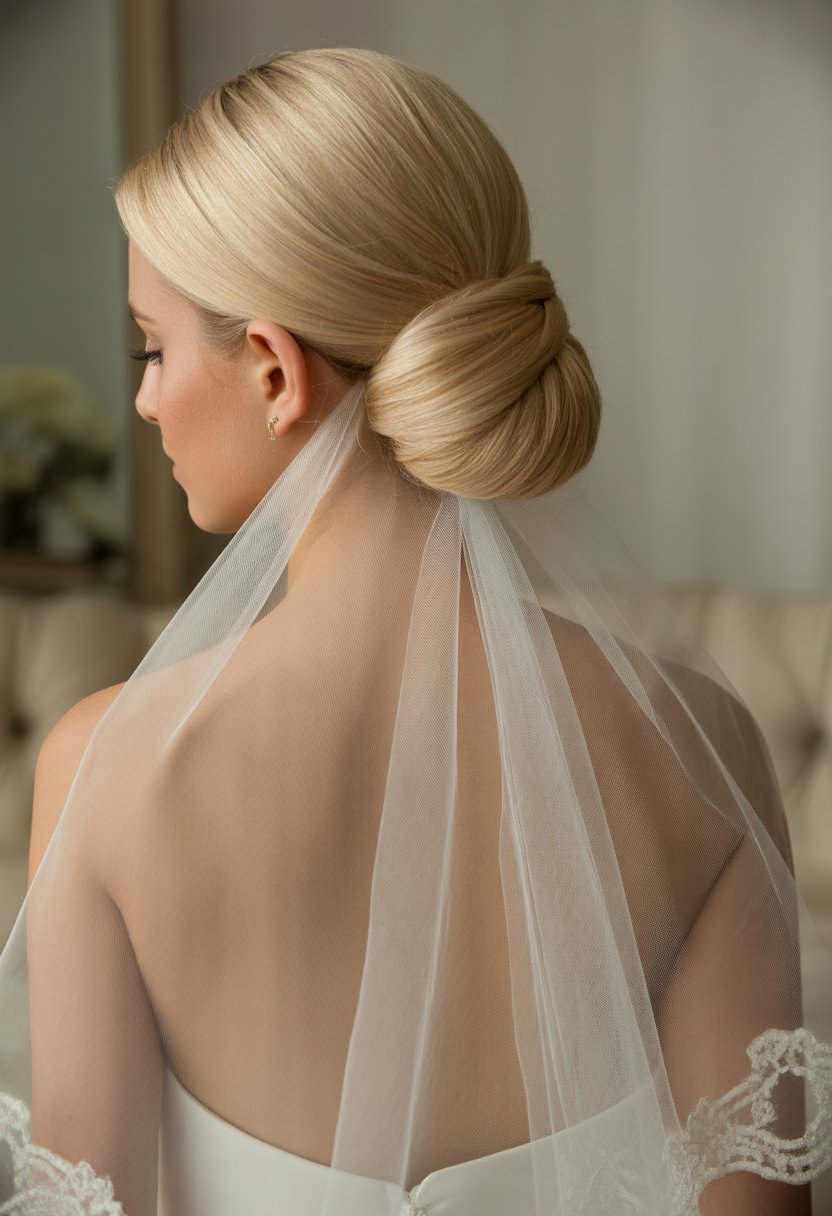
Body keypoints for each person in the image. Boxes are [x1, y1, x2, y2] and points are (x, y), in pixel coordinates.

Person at [1, 45, 831, 1216]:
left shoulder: (105, 770)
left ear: (278, 372)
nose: (143, 397)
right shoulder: (706, 747)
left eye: (153, 345)